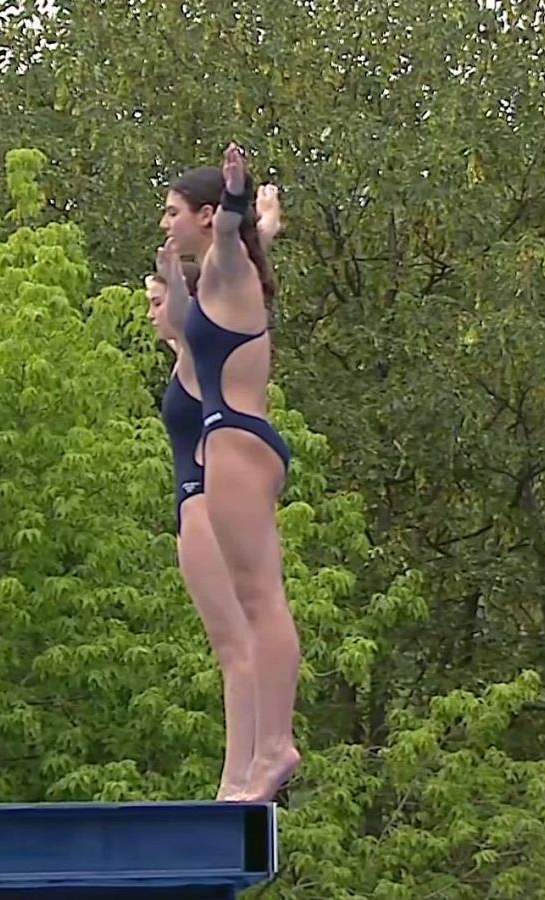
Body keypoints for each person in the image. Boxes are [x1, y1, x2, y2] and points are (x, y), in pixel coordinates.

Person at [155, 146, 298, 803]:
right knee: (251, 601)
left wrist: (241, 201)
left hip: (237, 441)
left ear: (207, 216)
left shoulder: (229, 264)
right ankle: (259, 756)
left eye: (173, 212)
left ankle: (273, 747)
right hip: (232, 442)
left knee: (261, 601)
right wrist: (262, 219)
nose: (165, 222)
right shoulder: (220, 273)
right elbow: (246, 243)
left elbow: (238, 240)